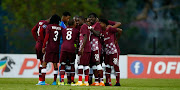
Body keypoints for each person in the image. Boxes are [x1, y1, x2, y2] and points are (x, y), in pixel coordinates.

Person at [39, 14, 62, 85]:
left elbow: (47, 37)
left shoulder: (49, 27)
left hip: (49, 47)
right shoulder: (61, 28)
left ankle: (42, 81)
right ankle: (54, 81)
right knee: (55, 64)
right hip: (56, 48)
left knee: (44, 63)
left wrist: (43, 46)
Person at [99, 18, 122, 86]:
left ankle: (118, 82)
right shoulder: (101, 31)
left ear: (105, 24)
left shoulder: (109, 29)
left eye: (101, 23)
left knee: (115, 65)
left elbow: (120, 30)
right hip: (107, 51)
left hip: (113, 51)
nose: (100, 24)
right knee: (107, 66)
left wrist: (116, 40)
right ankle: (108, 82)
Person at [72, 18, 91, 86]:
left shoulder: (83, 26)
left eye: (78, 20)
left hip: (84, 48)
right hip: (88, 48)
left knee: (80, 64)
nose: (77, 22)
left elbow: (85, 37)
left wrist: (82, 48)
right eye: (76, 21)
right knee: (86, 65)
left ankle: (80, 81)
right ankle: (86, 82)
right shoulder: (86, 27)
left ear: (83, 20)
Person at [59, 19, 79, 85]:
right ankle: (72, 81)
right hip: (71, 48)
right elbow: (77, 40)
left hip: (64, 47)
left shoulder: (63, 30)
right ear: (73, 24)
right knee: (72, 64)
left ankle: (62, 81)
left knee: (63, 64)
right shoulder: (76, 31)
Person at [87, 13, 105, 86]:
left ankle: (102, 82)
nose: (91, 19)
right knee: (93, 65)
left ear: (95, 18)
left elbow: (97, 34)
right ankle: (97, 81)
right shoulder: (91, 25)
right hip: (91, 47)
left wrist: (91, 28)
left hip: (96, 47)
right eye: (89, 17)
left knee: (98, 63)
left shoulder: (97, 24)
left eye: (92, 18)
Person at [31, 17, 50, 85]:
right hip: (42, 45)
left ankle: (40, 80)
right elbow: (41, 31)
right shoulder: (46, 24)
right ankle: (41, 81)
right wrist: (43, 41)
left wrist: (36, 40)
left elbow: (33, 30)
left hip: (38, 44)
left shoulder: (40, 22)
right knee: (43, 62)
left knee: (42, 62)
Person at [58, 12, 71, 85]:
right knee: (63, 63)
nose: (68, 20)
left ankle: (66, 80)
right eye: (68, 18)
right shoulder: (61, 25)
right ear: (64, 17)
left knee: (65, 63)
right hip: (61, 46)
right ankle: (61, 80)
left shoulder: (63, 25)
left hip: (63, 46)